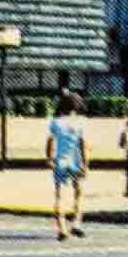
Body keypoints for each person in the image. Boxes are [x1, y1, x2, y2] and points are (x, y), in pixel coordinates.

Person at [48, 93, 88, 240]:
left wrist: (49, 158)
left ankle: (62, 229)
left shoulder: (56, 122)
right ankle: (76, 224)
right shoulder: (81, 122)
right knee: (79, 193)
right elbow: (83, 145)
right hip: (76, 161)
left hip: (61, 162)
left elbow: (51, 141)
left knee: (60, 196)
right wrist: (86, 164)